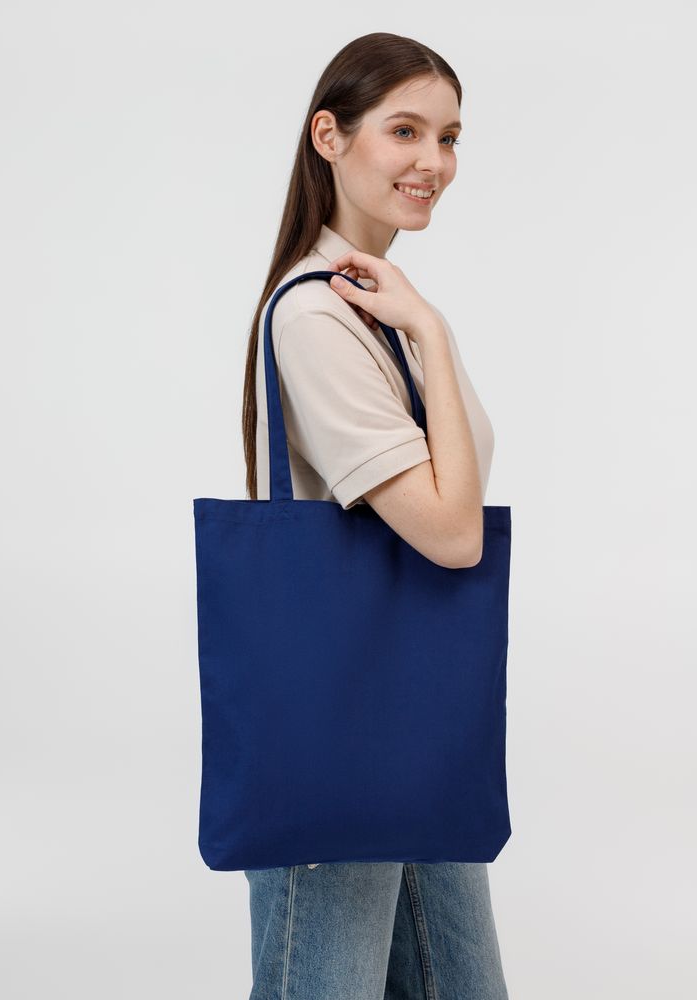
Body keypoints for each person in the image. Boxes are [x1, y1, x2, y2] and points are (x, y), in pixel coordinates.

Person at [240, 31, 510, 1000]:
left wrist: (424, 326)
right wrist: (429, 327)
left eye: (449, 136)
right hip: (340, 726)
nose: (433, 160)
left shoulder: (379, 309)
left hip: (407, 721)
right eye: (404, 130)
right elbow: (454, 533)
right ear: (330, 136)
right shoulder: (316, 315)